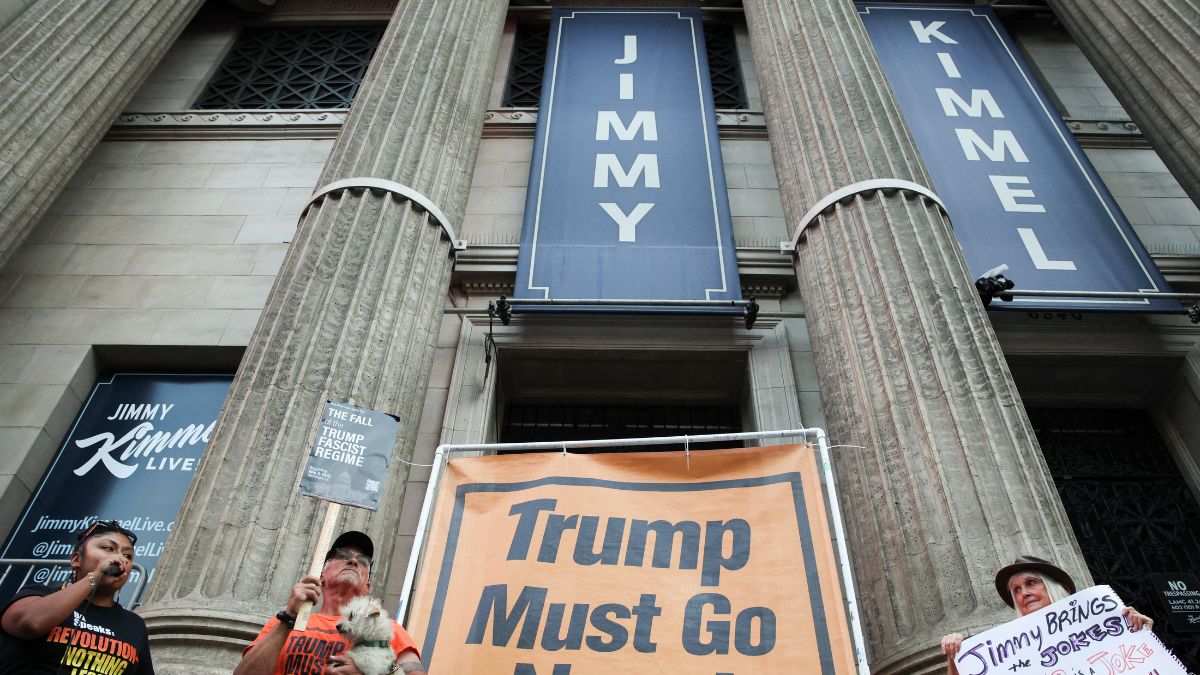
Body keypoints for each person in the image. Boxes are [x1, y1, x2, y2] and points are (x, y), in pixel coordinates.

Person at [235, 530, 426, 675]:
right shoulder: (285, 623)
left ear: (367, 587)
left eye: (362, 561)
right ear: (322, 576)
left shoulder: (385, 628)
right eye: (342, 555)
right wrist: (288, 618)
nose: (352, 561)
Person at [940, 555, 1154, 675]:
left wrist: (1140, 632)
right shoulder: (1005, 652)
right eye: (1016, 590)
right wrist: (956, 656)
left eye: (1031, 582)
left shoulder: (1100, 625)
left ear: (1051, 587)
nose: (1024, 593)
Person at [0, 519, 154, 674]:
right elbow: (30, 623)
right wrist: (94, 577)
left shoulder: (135, 625)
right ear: (75, 560)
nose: (120, 559)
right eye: (108, 548)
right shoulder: (39, 595)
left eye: (127, 555)